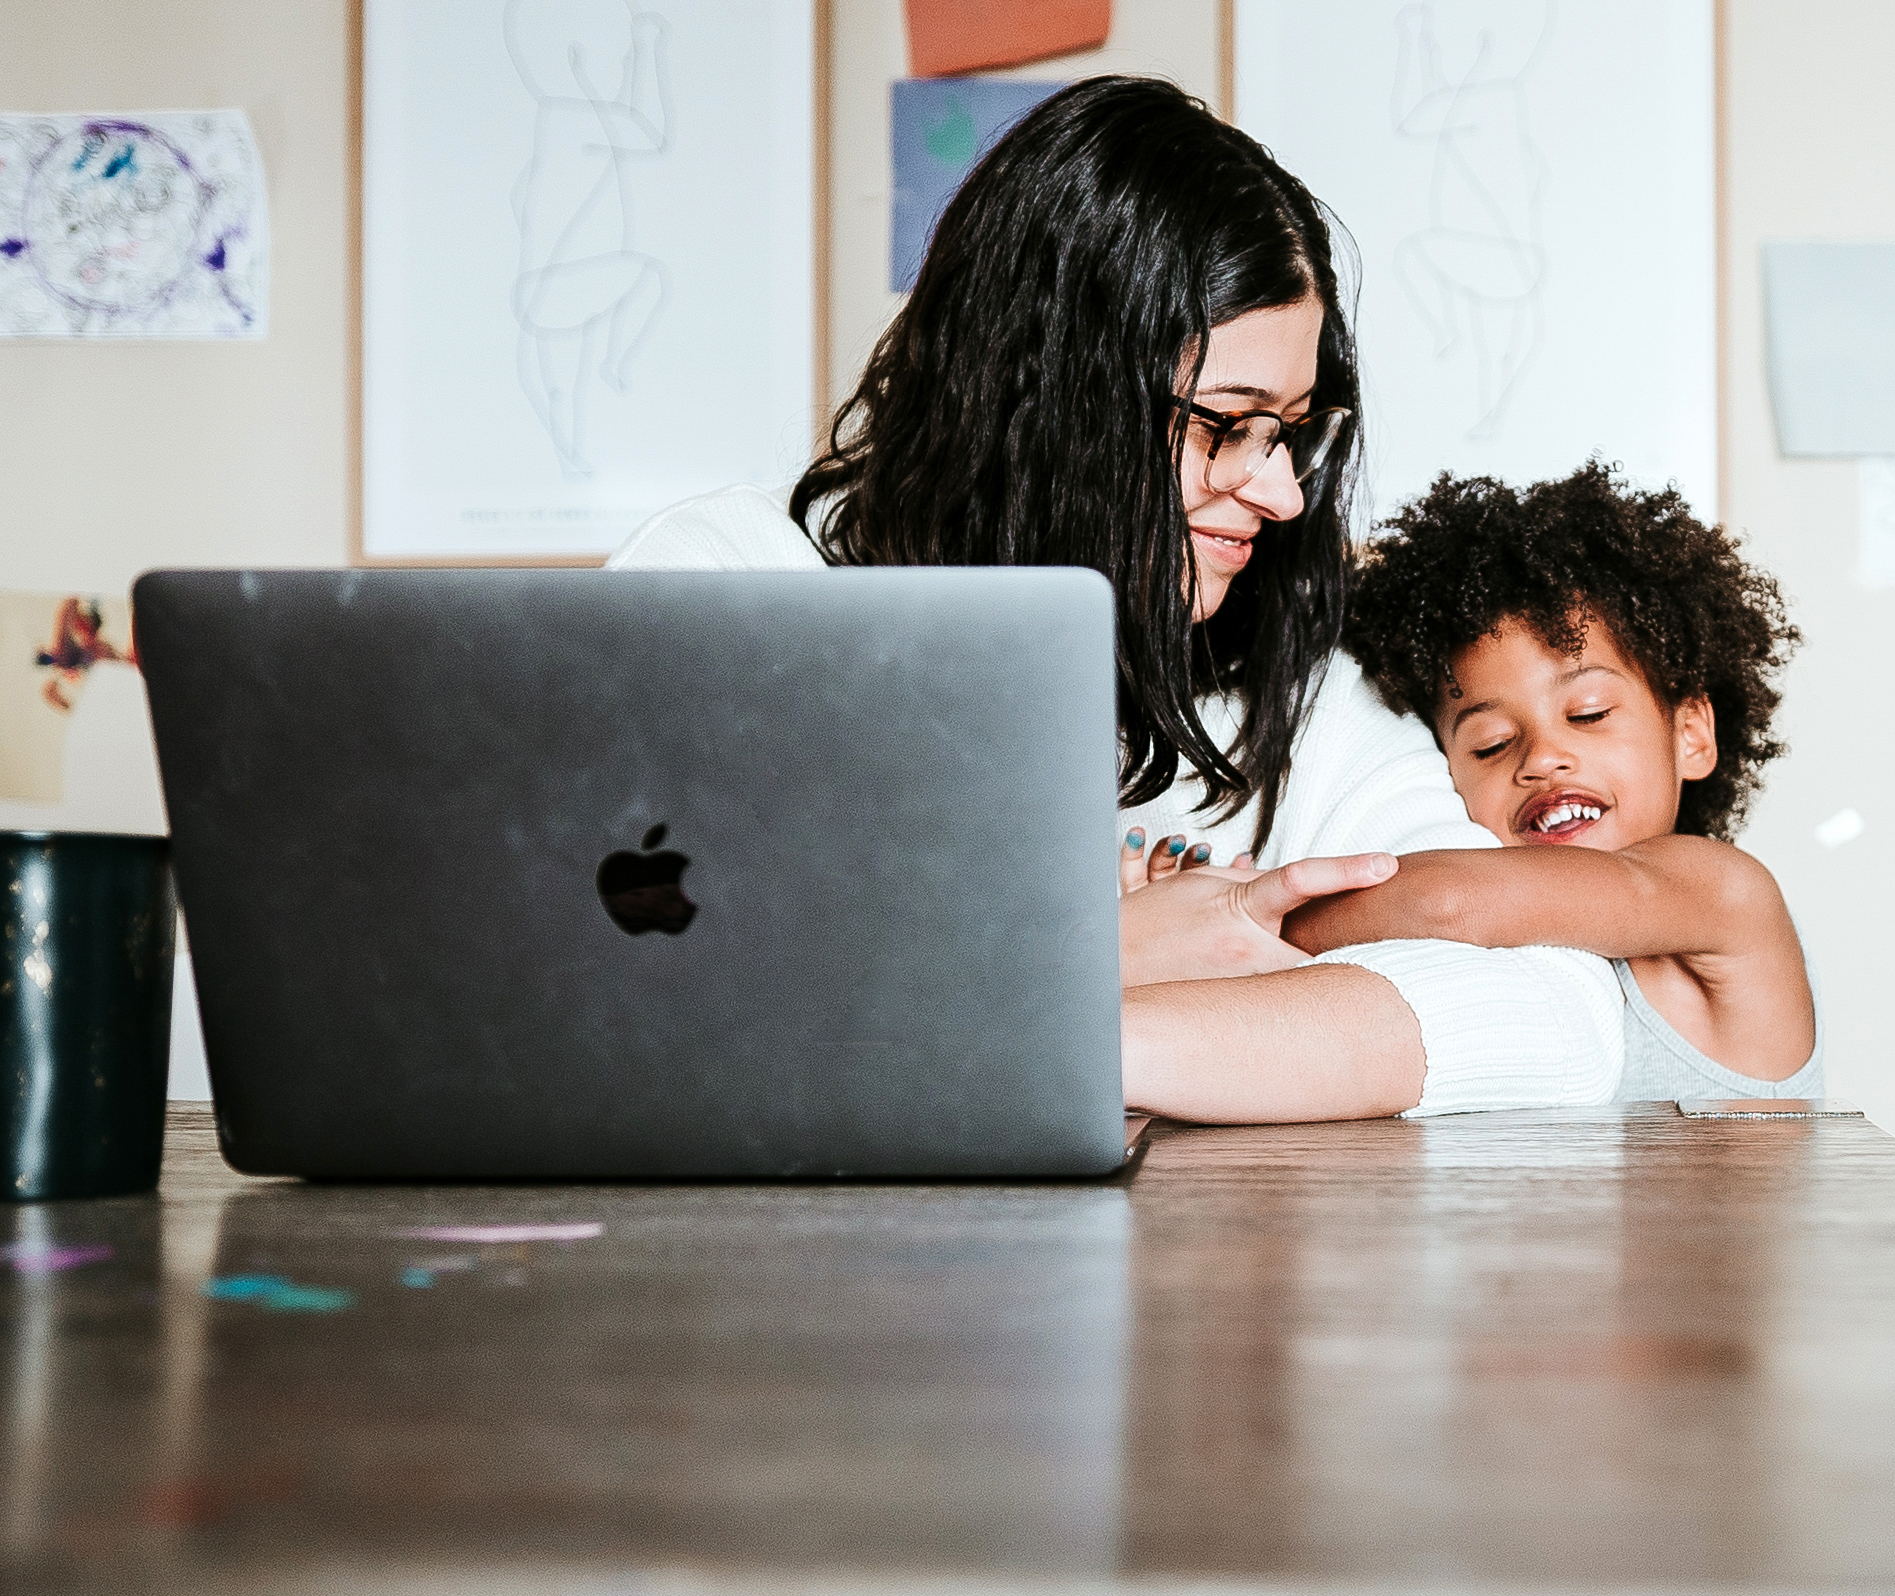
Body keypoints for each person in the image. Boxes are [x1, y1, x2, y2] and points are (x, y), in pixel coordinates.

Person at [606, 76, 1625, 1122]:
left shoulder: (1290, 688)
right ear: (1048, 400)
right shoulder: (724, 586)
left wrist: (1065, 1013)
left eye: (1292, 431)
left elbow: (1556, 1019)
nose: (1278, 494)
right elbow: (605, 1003)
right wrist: (1095, 959)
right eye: (1225, 423)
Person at [1128, 461, 1817, 1110]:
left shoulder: (1723, 893)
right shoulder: (1512, 963)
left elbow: (1450, 900)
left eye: (1589, 714)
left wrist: (1225, 927)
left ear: (1692, 733)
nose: (1544, 757)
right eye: (1491, 744)